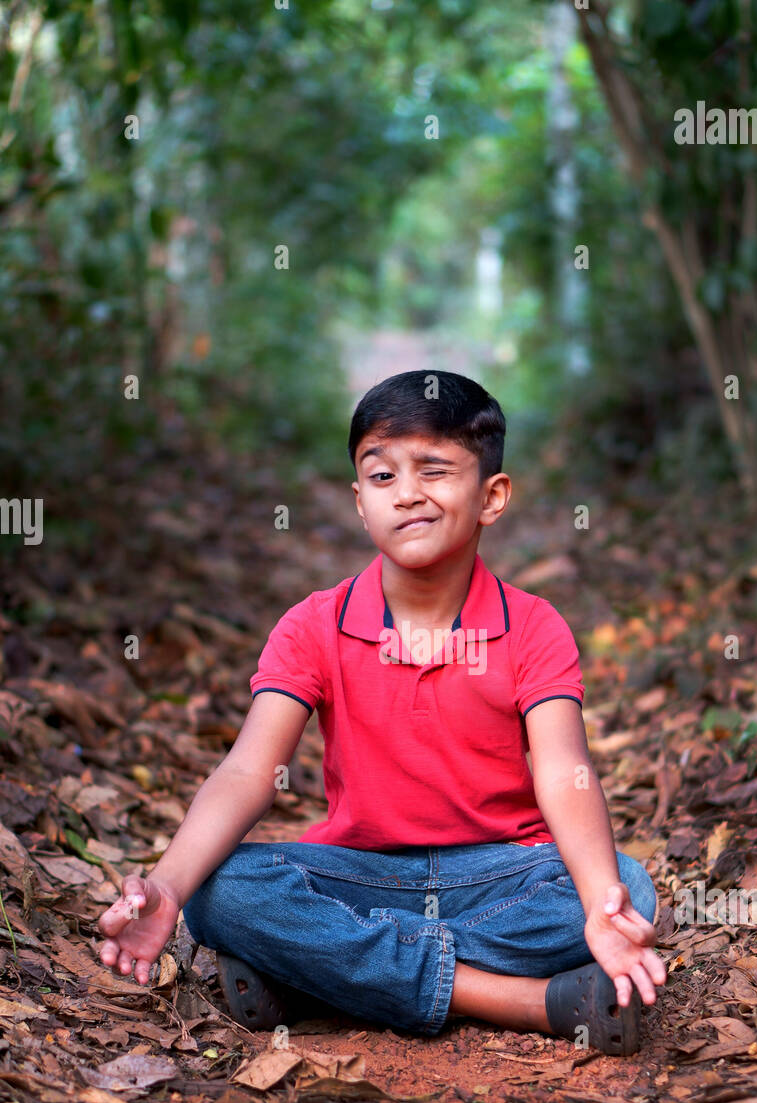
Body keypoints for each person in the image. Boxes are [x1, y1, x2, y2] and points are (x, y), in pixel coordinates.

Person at [97, 370, 666, 1054]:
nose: (409, 495)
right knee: (219, 891)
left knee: (625, 884)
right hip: (364, 879)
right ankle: (527, 1002)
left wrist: (602, 901)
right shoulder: (314, 625)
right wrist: (164, 885)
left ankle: (320, 977)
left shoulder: (535, 627)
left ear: (493, 496)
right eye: (383, 476)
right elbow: (248, 772)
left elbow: (564, 772)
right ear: (359, 501)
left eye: (434, 470)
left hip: (499, 877)